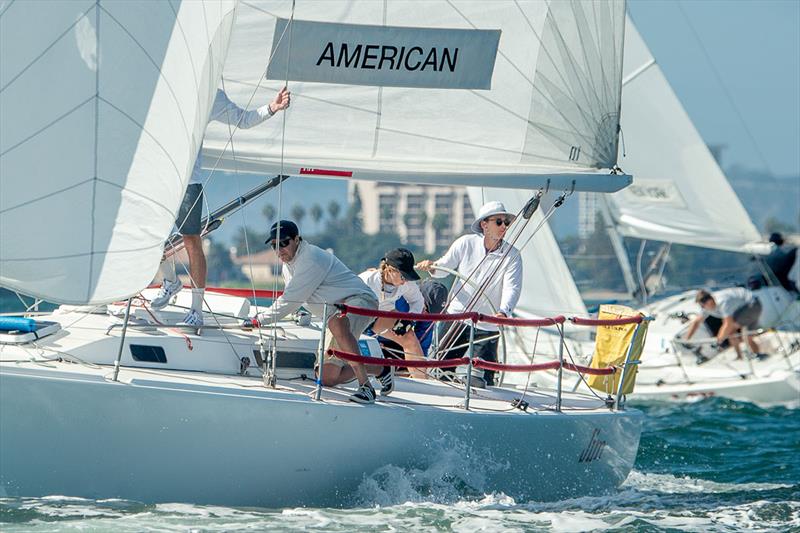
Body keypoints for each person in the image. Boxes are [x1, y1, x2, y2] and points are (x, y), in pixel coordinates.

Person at [150, 87, 291, 325]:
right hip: (159, 177)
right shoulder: (159, 85)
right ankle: (170, 280)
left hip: (188, 181)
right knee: (147, 233)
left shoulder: (209, 93)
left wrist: (272, 108)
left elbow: (243, 120)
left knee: (191, 240)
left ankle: (196, 311)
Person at [250, 220, 387, 404]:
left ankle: (366, 388)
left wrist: (259, 320)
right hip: (332, 313)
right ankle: (381, 369)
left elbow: (291, 299)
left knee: (336, 323)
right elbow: (297, 297)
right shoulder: (288, 266)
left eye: (284, 243)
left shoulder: (310, 258)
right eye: (275, 245)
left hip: (361, 299)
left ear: (297, 239)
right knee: (327, 377)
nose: (279, 249)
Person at [416, 201, 523, 386]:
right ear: (484, 224)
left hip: (488, 324)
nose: (504, 226)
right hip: (456, 316)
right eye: (499, 222)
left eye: (506, 222)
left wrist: (503, 313)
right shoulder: (465, 243)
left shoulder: (513, 255)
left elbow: (512, 287)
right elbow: (444, 267)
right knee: (440, 371)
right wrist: (431, 267)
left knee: (483, 380)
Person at [359, 249, 427, 380]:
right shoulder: (366, 280)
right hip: (360, 315)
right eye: (403, 276)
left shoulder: (407, 284)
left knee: (410, 338)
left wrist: (409, 320)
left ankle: (422, 382)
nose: (405, 280)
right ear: (389, 270)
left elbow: (417, 301)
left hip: (384, 313)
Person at [686, 288, 765, 360]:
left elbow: (728, 323)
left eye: (702, 306)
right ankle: (756, 355)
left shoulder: (722, 302)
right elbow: (696, 322)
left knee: (731, 331)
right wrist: (687, 339)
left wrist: (718, 341)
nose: (702, 308)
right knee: (747, 336)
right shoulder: (706, 307)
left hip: (751, 305)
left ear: (709, 301)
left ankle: (741, 356)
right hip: (748, 306)